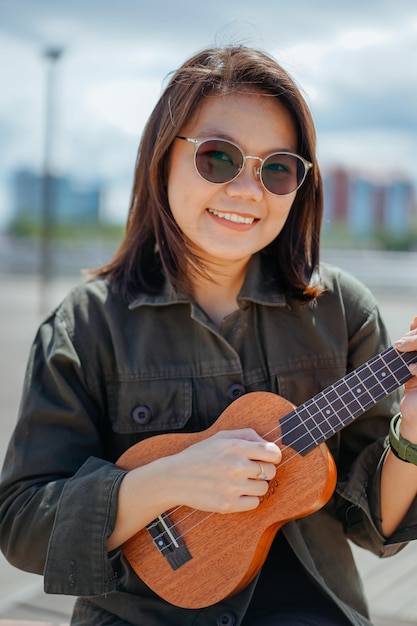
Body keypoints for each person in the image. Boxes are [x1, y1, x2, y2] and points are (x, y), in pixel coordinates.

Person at [1, 45, 417, 626]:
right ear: (161, 159)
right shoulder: (85, 326)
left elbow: (376, 525)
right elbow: (22, 525)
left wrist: (412, 431)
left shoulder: (343, 310)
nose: (248, 190)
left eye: (277, 168)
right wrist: (166, 481)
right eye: (218, 158)